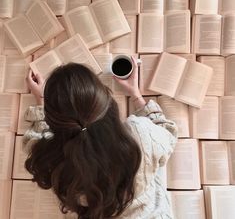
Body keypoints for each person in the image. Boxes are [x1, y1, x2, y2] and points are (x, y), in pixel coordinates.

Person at [23, 57, 178, 219]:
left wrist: (41, 101)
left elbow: (34, 142)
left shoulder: (51, 160)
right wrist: (135, 94)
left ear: (54, 122)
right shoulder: (141, 133)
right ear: (106, 102)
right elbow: (167, 131)